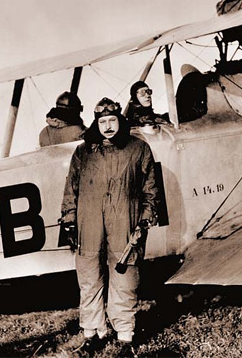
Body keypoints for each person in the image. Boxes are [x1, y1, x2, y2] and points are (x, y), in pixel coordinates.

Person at [61, 97, 158, 353]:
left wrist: (147, 216)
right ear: (96, 123)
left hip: (125, 220)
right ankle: (93, 332)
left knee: (125, 276)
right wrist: (70, 219)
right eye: (102, 121)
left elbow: (150, 188)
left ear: (120, 121)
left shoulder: (138, 148)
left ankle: (125, 334)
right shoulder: (83, 151)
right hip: (89, 221)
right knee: (89, 277)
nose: (107, 126)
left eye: (112, 120)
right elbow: (71, 188)